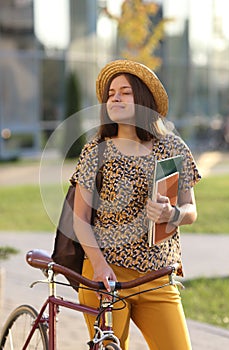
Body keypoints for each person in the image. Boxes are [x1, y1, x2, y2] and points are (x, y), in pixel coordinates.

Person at [70, 59, 201, 350]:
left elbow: (191, 209)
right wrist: (100, 266)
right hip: (107, 277)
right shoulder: (96, 151)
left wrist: (173, 213)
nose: (115, 97)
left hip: (159, 276)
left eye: (125, 92)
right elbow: (80, 218)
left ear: (143, 98)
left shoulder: (173, 147)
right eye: (111, 93)